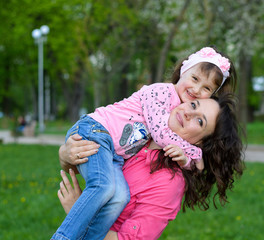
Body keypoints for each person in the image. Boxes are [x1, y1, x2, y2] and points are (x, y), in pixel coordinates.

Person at [52, 46, 237, 240]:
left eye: (200, 121)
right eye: (192, 104)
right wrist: (65, 155)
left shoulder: (169, 182)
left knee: (117, 195)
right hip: (95, 131)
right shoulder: (146, 132)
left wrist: (78, 213)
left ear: (202, 142)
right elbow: (93, 163)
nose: (189, 112)